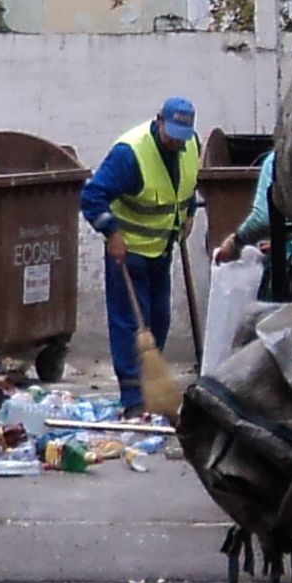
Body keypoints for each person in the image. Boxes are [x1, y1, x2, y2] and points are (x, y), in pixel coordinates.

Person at [79, 96, 201, 413]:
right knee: (132, 325)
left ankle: (153, 388)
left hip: (161, 250)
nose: (176, 141)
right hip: (128, 251)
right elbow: (92, 195)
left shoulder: (190, 146)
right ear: (158, 120)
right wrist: (112, 233)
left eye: (182, 136)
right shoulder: (130, 153)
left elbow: (188, 186)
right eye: (171, 133)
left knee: (158, 319)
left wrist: (188, 215)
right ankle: (134, 398)